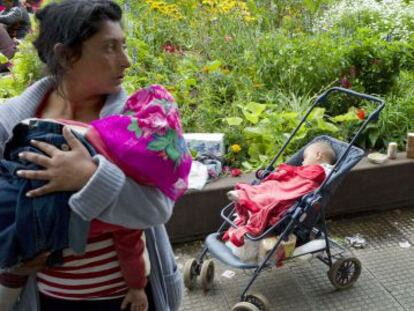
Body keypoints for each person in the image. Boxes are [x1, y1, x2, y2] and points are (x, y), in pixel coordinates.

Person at [0, 1, 183, 310]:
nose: (126, 61)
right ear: (66, 55)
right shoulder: (10, 123)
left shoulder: (138, 122)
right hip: (50, 298)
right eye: (110, 48)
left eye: (123, 46)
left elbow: (157, 209)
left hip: (125, 297)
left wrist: (89, 176)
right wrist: (14, 257)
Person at [224, 141, 336, 247]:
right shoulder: (309, 169)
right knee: (270, 186)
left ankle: (247, 199)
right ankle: (246, 196)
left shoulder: (324, 170)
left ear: (318, 155)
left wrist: (289, 171)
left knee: (274, 196)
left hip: (296, 190)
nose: (302, 162)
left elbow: (312, 177)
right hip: (290, 184)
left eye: (305, 158)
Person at [0, 0, 31, 72]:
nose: (3, 4)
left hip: (21, 40)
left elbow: (9, 19)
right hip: (11, 41)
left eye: (4, 2)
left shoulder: (19, 9)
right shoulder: (6, 10)